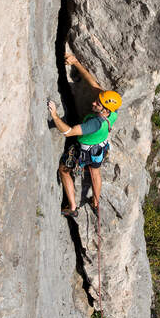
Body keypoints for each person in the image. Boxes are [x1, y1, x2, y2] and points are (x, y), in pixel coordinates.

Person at [48, 54, 122, 218]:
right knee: (95, 172)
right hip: (100, 148)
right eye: (97, 100)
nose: (94, 102)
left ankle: (73, 207)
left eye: (98, 103)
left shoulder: (94, 123)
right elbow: (93, 84)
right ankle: (95, 203)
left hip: (83, 148)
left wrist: (54, 116)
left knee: (64, 170)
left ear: (105, 110)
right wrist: (75, 62)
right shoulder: (113, 109)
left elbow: (68, 131)